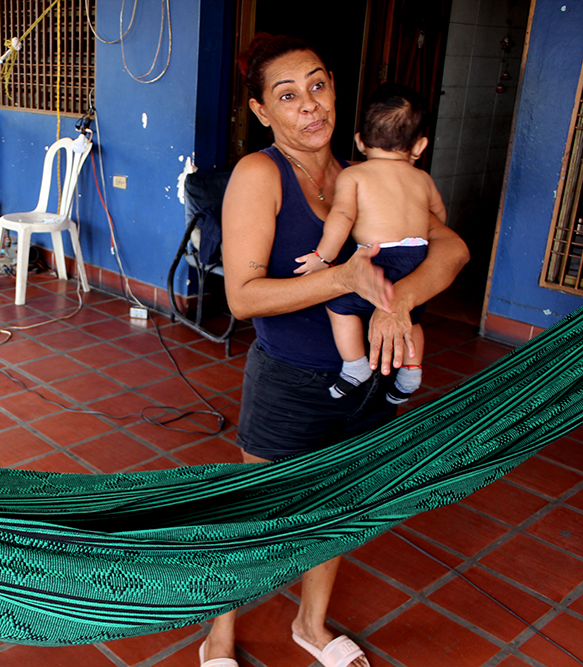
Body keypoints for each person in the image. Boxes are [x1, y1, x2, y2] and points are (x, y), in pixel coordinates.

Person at [199, 34, 468, 667]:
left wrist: (395, 303)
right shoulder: (259, 174)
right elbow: (242, 297)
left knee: (339, 507)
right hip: (290, 378)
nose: (310, 106)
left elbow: (452, 250)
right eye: (288, 96)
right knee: (256, 515)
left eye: (318, 86)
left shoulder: (367, 177)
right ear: (263, 111)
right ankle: (220, 633)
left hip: (368, 377)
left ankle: (310, 625)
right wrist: (345, 279)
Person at [293, 83, 447, 405]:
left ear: (360, 141)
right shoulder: (423, 179)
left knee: (339, 306)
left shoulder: (355, 175)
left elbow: (342, 218)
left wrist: (324, 257)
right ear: (419, 147)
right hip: (417, 254)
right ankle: (411, 370)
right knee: (410, 317)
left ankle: (355, 366)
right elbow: (439, 218)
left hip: (380, 257)